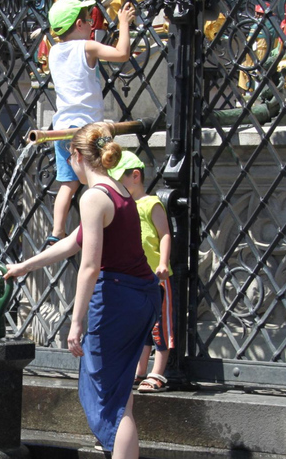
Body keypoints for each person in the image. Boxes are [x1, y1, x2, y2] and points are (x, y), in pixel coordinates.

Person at [4, 123, 160, 459]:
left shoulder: (92, 197)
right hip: (142, 295)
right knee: (120, 396)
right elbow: (73, 243)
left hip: (119, 298)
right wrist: (24, 266)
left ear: (76, 156)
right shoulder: (118, 191)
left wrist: (76, 323)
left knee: (109, 400)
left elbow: (89, 266)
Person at [45, 0, 136, 247]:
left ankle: (57, 230)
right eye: (88, 20)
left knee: (67, 183)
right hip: (87, 129)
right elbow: (122, 53)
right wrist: (124, 23)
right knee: (97, 176)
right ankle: (97, 223)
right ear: (78, 25)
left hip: (62, 129)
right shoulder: (87, 47)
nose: (92, 25)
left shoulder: (53, 52)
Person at [108, 151, 174, 393]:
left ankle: (158, 373)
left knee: (160, 326)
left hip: (156, 277)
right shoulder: (125, 206)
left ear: (135, 176)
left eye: (119, 180)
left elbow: (165, 233)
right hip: (135, 277)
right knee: (141, 326)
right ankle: (140, 370)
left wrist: (164, 262)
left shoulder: (150, 203)